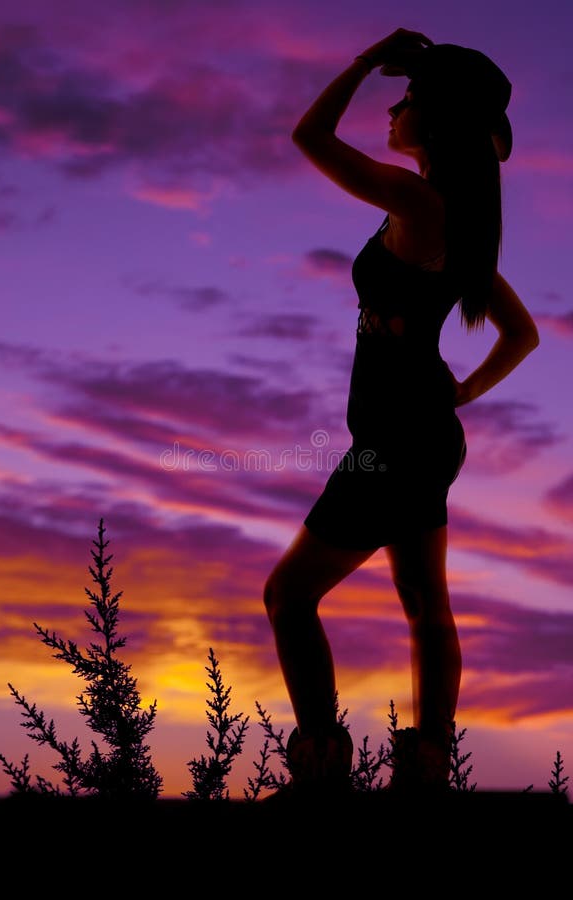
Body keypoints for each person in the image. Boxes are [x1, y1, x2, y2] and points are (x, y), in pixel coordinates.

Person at [263, 29, 540, 795]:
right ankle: (425, 773)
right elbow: (524, 333)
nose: (393, 107)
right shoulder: (458, 218)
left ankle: (321, 768)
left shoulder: (419, 201)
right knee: (424, 606)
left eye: (409, 99)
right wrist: (461, 392)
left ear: (439, 122)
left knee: (287, 596)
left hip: (393, 442)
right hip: (422, 434)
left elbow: (308, 135)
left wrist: (358, 60)